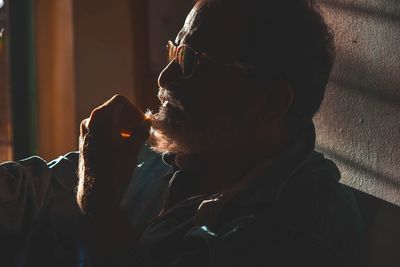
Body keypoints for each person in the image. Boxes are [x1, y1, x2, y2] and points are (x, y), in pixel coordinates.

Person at [1, 0, 364, 266]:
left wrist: (99, 203)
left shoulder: (307, 227)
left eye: (192, 62)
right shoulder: (169, 158)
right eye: (174, 52)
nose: (164, 78)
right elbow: (34, 193)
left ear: (269, 101)